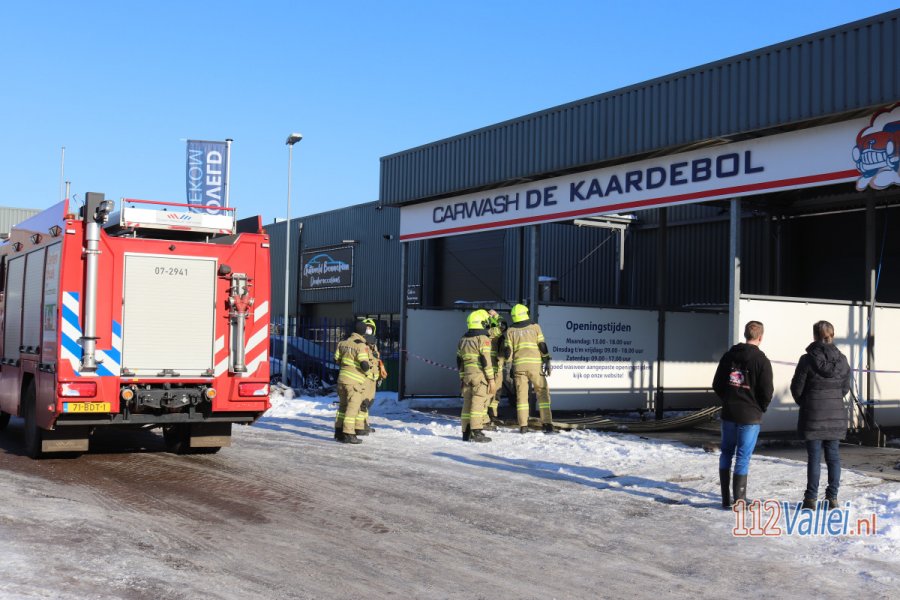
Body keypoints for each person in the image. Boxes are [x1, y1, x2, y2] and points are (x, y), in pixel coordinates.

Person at [790, 320, 851, 511]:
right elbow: (845, 388)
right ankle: (832, 498)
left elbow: (796, 388)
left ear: (815, 336)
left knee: (814, 459)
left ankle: (810, 499)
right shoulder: (842, 360)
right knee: (833, 457)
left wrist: (807, 403)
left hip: (813, 415)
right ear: (832, 335)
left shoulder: (807, 359)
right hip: (836, 415)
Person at [712, 320, 774, 508]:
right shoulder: (761, 360)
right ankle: (739, 499)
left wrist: (728, 399)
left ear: (746, 335)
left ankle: (725, 498)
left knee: (726, 452)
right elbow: (767, 391)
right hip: (750, 415)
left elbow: (717, 384)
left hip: (729, 412)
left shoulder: (729, 356)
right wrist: (759, 407)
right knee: (742, 456)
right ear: (760, 337)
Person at [504, 304, 555, 434]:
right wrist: (547, 360)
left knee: (521, 396)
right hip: (535, 366)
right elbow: (542, 345)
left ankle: (523, 425)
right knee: (542, 393)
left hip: (519, 367)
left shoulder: (510, 331)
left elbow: (508, 352)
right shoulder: (535, 327)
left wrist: (509, 367)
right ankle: (547, 424)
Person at [457, 309, 495, 442]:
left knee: (467, 404)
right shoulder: (483, 339)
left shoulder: (463, 339)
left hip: (467, 375)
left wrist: (462, 377)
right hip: (479, 376)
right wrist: (491, 379)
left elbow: (459, 360)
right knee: (478, 403)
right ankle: (476, 432)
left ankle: (465, 432)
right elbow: (486, 360)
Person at [333, 320, 372, 444]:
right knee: (352, 408)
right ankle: (349, 434)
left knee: (342, 407)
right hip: (354, 383)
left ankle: (339, 432)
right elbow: (364, 365)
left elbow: (336, 359)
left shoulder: (342, 343)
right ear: (363, 332)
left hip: (342, 380)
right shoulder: (361, 346)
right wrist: (368, 372)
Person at [357, 318, 382, 436]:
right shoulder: (362, 343)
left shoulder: (373, 344)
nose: (368, 330)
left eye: (370, 328)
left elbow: (375, 361)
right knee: (363, 402)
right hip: (365, 377)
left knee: (369, 402)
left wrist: (379, 376)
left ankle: (365, 423)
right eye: (366, 328)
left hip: (373, 378)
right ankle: (360, 425)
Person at [483, 310, 506, 431]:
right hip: (492, 369)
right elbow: (503, 325)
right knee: (489, 393)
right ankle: (485, 418)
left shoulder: (484, 334)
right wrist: (497, 315)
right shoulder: (491, 333)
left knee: (496, 393)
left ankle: (493, 415)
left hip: (496, 368)